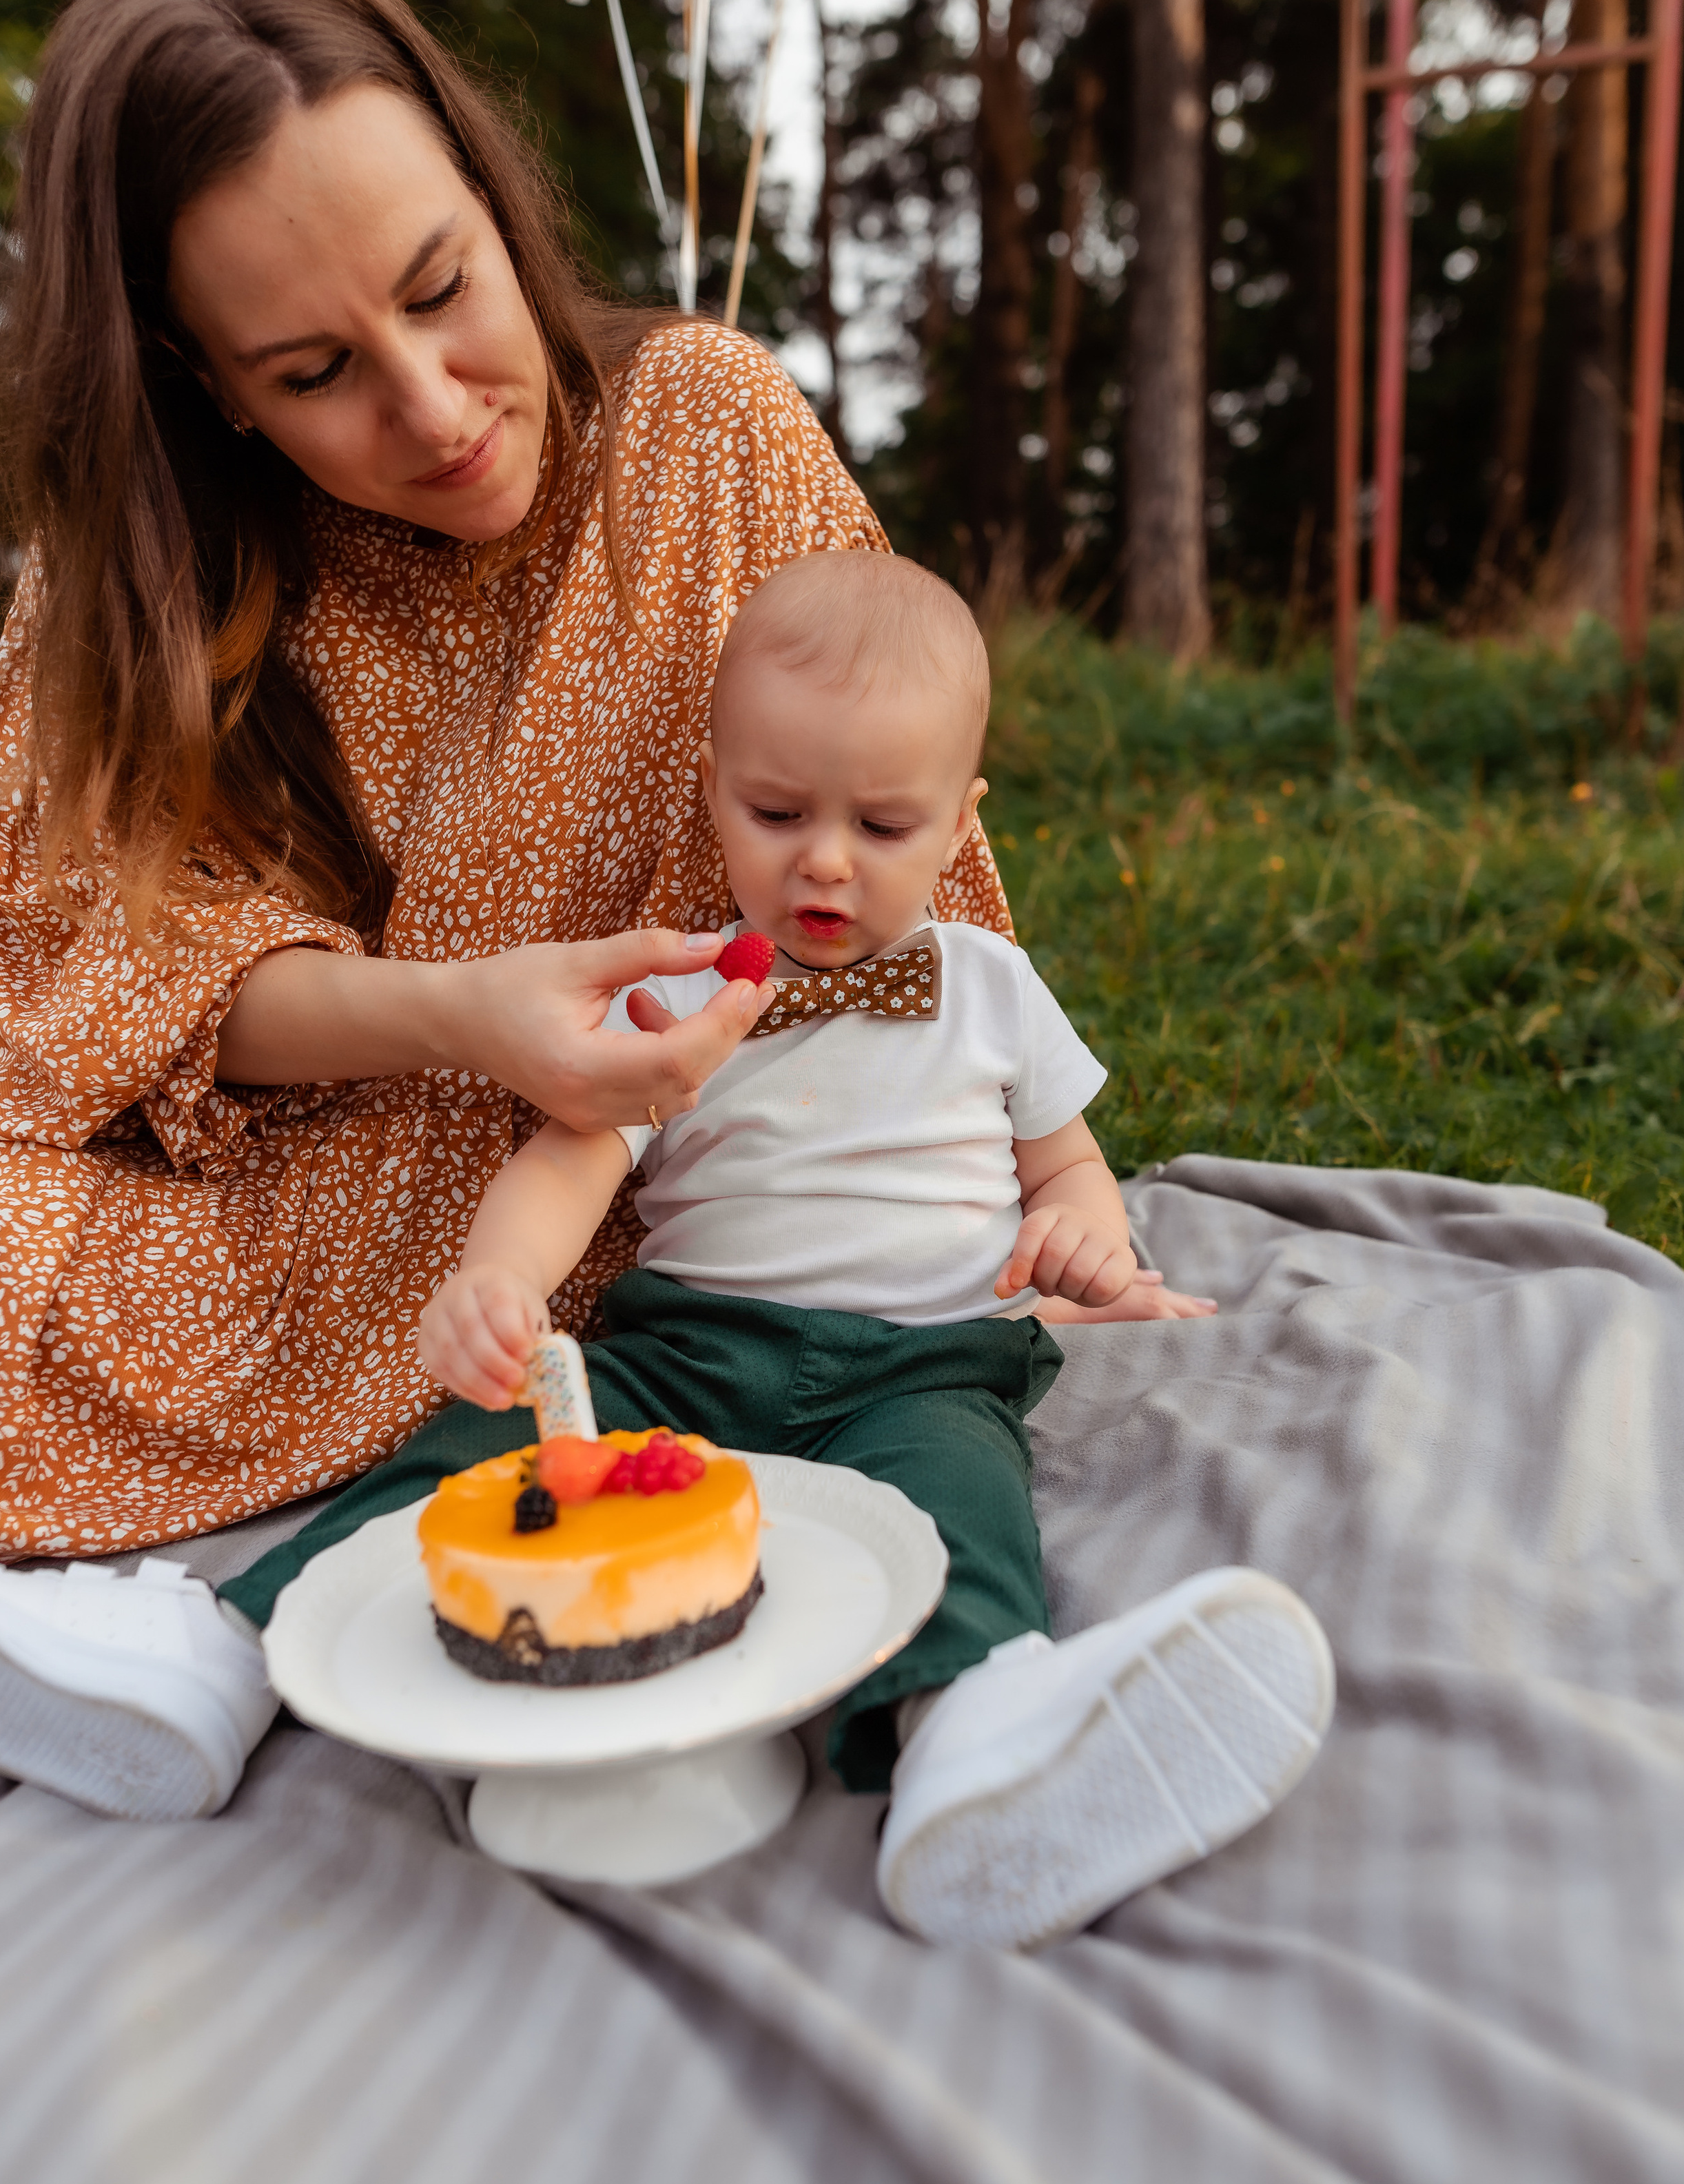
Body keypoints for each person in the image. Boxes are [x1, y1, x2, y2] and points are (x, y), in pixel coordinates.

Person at [0, 0, 1198, 1829]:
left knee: (768, 1431)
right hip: (302, 1195)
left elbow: (907, 911)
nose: (436, 408)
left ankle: (973, 1721)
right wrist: (459, 1017)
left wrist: (1049, 1200)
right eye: (315, 372)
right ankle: (187, 1654)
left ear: (490, 192)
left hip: (658, 1198)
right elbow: (75, 989)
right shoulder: (131, 575)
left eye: (443, 288)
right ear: (206, 384)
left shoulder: (707, 431)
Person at [229, 554, 1334, 1950]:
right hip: (691, 1354)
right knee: (482, 1455)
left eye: (883, 824)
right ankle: (222, 1654)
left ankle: (975, 1745)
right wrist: (497, 1279)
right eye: (776, 812)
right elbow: (569, 1158)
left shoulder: (991, 988)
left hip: (925, 1365)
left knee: (961, 1508)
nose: (823, 860)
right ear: (713, 793)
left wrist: (1081, 1233)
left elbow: (1064, 1163)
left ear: (961, 824)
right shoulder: (682, 999)